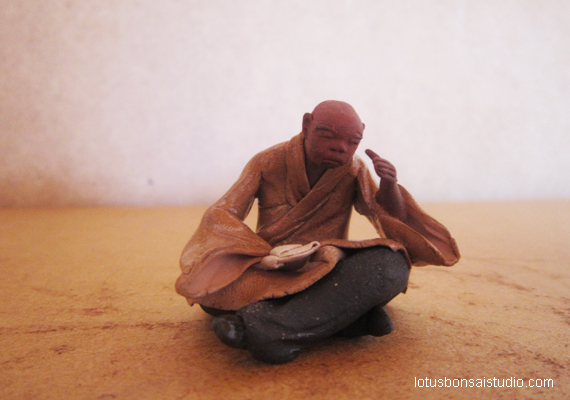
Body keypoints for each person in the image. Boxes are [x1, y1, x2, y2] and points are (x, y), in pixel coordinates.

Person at [175, 100, 460, 363]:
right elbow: (222, 212)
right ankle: (345, 321)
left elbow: (387, 215)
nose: (340, 148)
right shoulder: (267, 162)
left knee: (391, 265)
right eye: (328, 136)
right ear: (306, 125)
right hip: (270, 267)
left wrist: (389, 184)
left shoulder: (354, 169)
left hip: (327, 267)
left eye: (352, 142)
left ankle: (262, 330)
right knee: (212, 293)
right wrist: (258, 254)